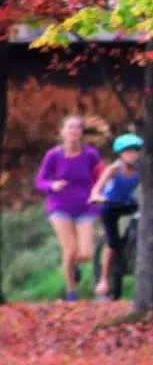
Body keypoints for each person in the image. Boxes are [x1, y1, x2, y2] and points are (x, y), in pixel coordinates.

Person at [35, 115, 103, 301]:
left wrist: (98, 193)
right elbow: (39, 181)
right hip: (59, 205)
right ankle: (71, 292)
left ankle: (73, 265)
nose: (74, 131)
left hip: (85, 206)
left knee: (86, 253)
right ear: (62, 132)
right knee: (70, 249)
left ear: (81, 132)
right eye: (70, 127)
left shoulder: (91, 154)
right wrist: (52, 186)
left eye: (77, 128)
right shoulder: (53, 155)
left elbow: (101, 176)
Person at [89, 133, 143, 300]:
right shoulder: (114, 169)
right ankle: (104, 281)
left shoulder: (141, 169)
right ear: (121, 154)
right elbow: (97, 189)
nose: (132, 155)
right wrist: (97, 196)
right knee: (112, 244)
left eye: (135, 151)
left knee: (143, 219)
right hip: (110, 206)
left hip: (127, 204)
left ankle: (133, 247)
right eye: (128, 152)